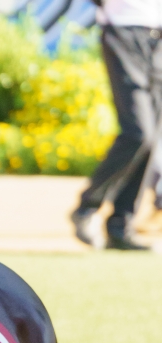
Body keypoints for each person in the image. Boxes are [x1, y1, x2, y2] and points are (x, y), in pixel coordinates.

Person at [71, 0, 162, 250]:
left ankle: (121, 226)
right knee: (138, 132)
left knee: (153, 137)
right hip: (123, 30)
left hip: (156, 34)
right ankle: (87, 208)